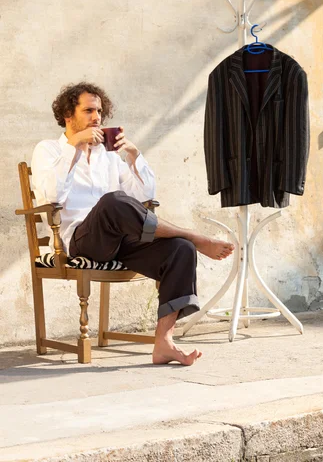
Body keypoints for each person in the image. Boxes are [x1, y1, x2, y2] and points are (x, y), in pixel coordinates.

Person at [31, 82, 234, 366]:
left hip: (121, 242)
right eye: (88, 110)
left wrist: (134, 156)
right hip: (81, 241)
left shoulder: (108, 155)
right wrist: (75, 147)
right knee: (113, 201)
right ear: (68, 114)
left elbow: (145, 198)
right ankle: (196, 236)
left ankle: (164, 341)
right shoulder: (49, 150)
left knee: (180, 249)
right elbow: (52, 196)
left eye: (99, 111)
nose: (97, 117)